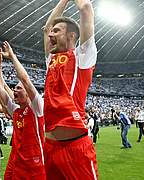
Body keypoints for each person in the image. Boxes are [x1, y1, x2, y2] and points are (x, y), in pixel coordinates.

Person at [42, 0, 98, 179]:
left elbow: (86, 8)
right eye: (51, 31)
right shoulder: (51, 59)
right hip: (50, 148)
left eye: (56, 31)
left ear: (72, 36)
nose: (51, 34)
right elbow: (46, 28)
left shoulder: (83, 57)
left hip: (76, 149)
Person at [0, 42, 45, 179]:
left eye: (18, 88)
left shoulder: (37, 108)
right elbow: (0, 90)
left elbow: (25, 80)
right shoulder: (16, 111)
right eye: (14, 88)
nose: (14, 90)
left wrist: (12, 57)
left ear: (28, 93)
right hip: (18, 163)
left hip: (36, 165)